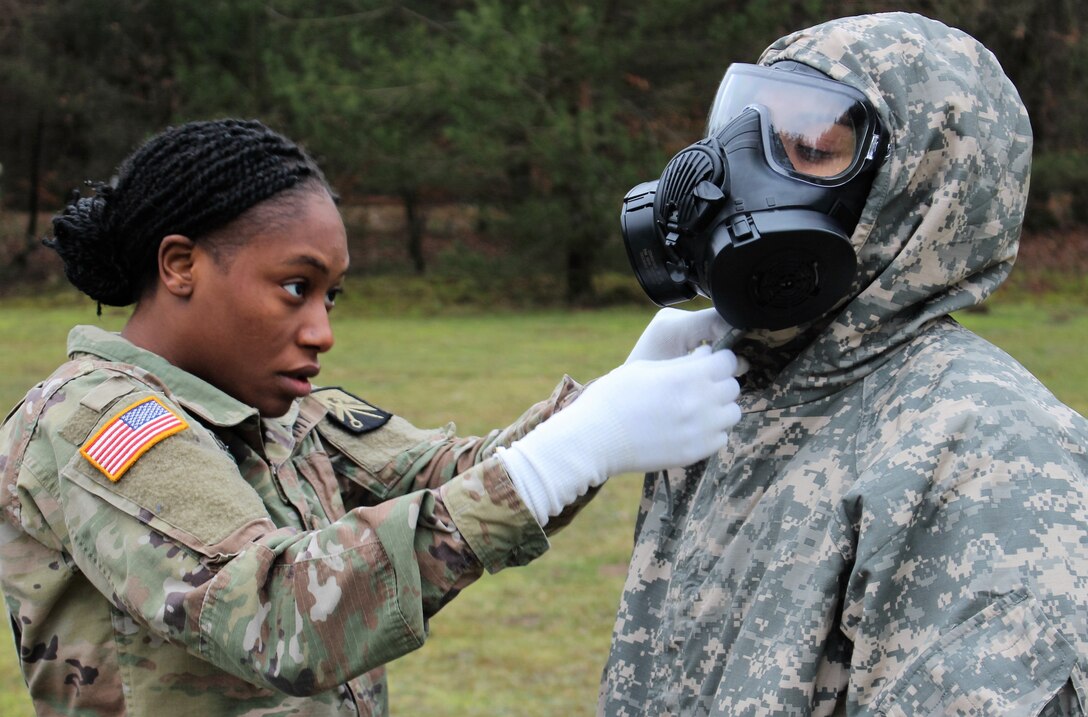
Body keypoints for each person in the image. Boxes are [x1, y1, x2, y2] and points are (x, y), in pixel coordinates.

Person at [0, 118, 745, 716]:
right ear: (179, 265)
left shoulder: (281, 413)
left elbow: (454, 476)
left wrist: (607, 400)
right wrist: (577, 447)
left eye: (332, 296)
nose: (322, 328)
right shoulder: (96, 423)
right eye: (296, 286)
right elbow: (278, 616)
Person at [601, 12, 1088, 716]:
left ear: (920, 191)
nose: (732, 170)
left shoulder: (987, 452)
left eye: (811, 144)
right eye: (746, 125)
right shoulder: (729, 398)